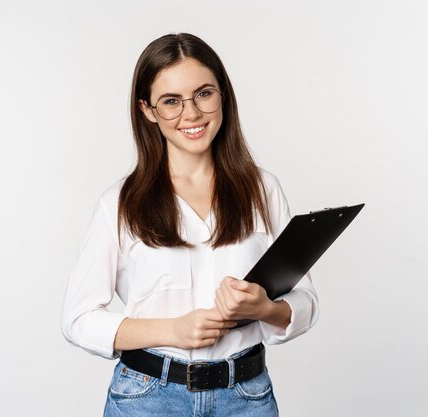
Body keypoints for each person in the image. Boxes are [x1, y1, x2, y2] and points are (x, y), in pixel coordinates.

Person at [60, 33, 319, 417]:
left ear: (223, 95)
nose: (192, 114)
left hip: (246, 398)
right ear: (147, 110)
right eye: (171, 101)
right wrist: (172, 331)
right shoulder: (119, 202)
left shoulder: (263, 189)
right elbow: (78, 319)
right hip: (147, 399)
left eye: (204, 94)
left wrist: (265, 308)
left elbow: (306, 302)